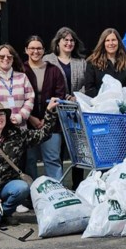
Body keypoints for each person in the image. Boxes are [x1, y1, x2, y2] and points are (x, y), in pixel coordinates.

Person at [0, 99, 60, 229]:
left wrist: (49, 111)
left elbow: (44, 134)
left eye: (1, 114)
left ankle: (5, 213)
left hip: (6, 188)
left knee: (23, 187)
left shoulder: (16, 135)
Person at [43, 27, 89, 188]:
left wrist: (77, 96)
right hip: (56, 112)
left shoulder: (81, 62)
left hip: (75, 112)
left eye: (71, 40)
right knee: (56, 151)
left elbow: (87, 84)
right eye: (65, 40)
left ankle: (78, 186)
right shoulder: (48, 60)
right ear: (58, 42)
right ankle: (59, 186)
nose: (69, 43)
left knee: (78, 151)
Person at [24, 35, 68, 181]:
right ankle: (32, 195)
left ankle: (57, 194)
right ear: (26, 50)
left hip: (52, 124)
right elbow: (18, 98)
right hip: (28, 124)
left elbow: (59, 96)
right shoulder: (20, 70)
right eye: (32, 48)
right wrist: (31, 118)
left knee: (52, 159)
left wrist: (46, 118)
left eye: (38, 48)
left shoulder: (54, 70)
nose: (35, 51)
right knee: (29, 161)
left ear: (44, 50)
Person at [0, 43, 35, 127]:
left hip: (20, 127)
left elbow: (30, 99)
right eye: (1, 56)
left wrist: (21, 116)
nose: (5, 59)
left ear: (13, 59)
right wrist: (1, 119)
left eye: (9, 57)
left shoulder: (22, 77)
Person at [85, 27, 126, 92]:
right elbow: (89, 89)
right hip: (100, 101)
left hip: (122, 101)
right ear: (103, 43)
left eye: (113, 40)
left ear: (118, 42)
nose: (111, 43)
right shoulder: (92, 63)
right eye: (107, 40)